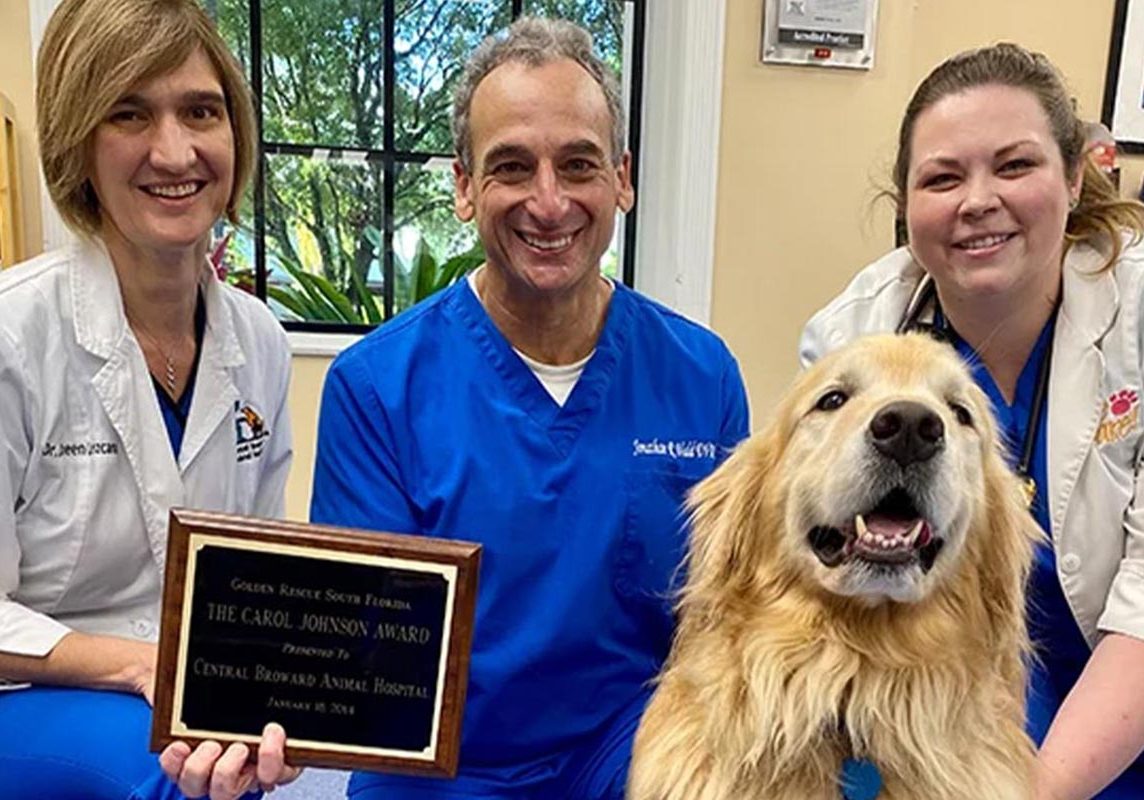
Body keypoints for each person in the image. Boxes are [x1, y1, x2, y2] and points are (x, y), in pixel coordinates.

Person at [164, 15, 749, 800]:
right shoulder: (379, 387)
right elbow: (356, 652)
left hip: (634, 755)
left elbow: (734, 611)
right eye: (512, 167)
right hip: (443, 770)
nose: (549, 202)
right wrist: (269, 714)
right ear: (465, 187)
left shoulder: (701, 375)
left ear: (623, 179)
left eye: (578, 165)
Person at [800, 43, 1144, 799]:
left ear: (1077, 174)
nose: (977, 200)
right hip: (927, 730)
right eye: (942, 178)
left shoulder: (1136, 320)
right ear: (905, 204)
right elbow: (814, 563)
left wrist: (1025, 790)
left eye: (1015, 166)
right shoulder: (851, 338)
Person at [0, 0, 293, 797]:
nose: (175, 150)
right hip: (27, 691)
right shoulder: (13, 334)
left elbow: (254, 572)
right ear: (79, 145)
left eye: (200, 111)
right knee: (168, 772)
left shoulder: (258, 341)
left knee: (235, 768)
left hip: (177, 691)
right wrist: (142, 667)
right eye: (129, 113)